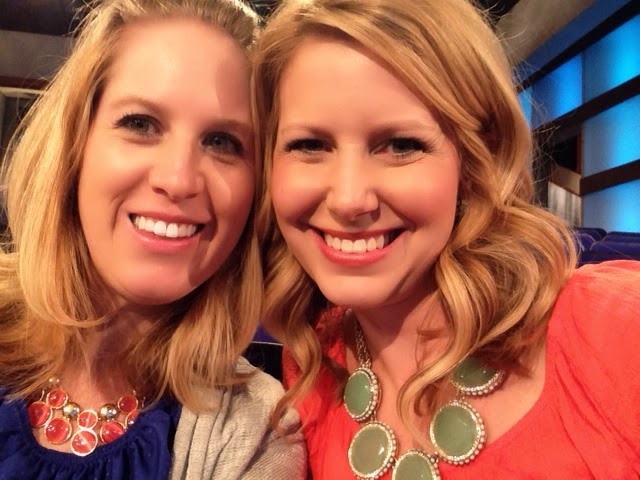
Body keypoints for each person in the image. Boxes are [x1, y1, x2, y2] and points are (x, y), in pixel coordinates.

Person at [252, 0, 640, 478]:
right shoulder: (310, 362)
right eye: (309, 145)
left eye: (401, 145)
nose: (349, 200)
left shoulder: (616, 329)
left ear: (475, 159)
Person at [0, 0, 305, 478]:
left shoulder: (258, 432)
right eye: (140, 124)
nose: (179, 180)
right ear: (75, 143)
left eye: (222, 142)